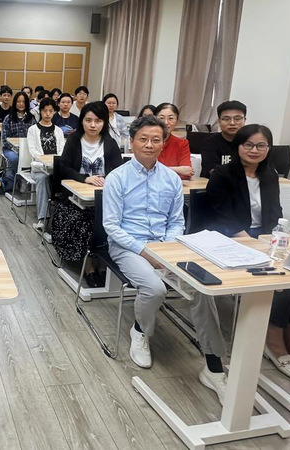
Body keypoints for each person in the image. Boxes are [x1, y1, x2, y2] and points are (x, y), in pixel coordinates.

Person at [104, 115, 228, 403]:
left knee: (204, 288)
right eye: (143, 139)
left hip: (166, 246)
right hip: (128, 246)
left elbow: (176, 221)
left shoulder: (171, 179)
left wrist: (168, 247)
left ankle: (213, 367)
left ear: (163, 143)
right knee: (154, 288)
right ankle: (140, 331)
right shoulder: (117, 178)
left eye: (156, 140)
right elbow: (111, 226)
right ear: (131, 142)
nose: (149, 145)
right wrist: (146, 251)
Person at [206, 124, 290, 382]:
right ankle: (273, 341)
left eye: (261, 145)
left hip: (265, 238)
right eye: (248, 144)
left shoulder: (269, 175)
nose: (254, 150)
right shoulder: (223, 174)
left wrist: (274, 240)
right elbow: (220, 215)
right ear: (238, 147)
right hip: (232, 238)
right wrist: (252, 242)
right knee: (280, 277)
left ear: (268, 148)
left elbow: (275, 213)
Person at [52, 101, 122, 287]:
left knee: (111, 220)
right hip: (73, 199)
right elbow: (64, 167)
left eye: (98, 121)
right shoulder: (74, 141)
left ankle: (104, 263)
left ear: (104, 122)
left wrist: (108, 181)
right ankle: (89, 265)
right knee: (86, 220)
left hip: (105, 198)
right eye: (88, 120)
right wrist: (85, 178)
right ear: (81, 121)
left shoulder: (110, 143)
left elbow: (119, 171)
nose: (93, 125)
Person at [26, 98, 65, 232]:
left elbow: (61, 150)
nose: (48, 114)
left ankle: (60, 218)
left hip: (55, 168)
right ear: (40, 112)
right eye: (45, 111)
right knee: (43, 179)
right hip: (39, 168)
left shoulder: (58, 131)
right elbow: (33, 151)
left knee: (65, 180)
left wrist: (54, 161)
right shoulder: (32, 130)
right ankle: (43, 218)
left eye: (50, 111)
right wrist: (46, 160)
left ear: (54, 112)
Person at [200, 100, 247, 178]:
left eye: (237, 118)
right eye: (226, 119)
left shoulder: (251, 143)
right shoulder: (210, 143)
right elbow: (213, 171)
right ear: (219, 121)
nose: (232, 123)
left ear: (244, 120)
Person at [1, 91, 36, 177]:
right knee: (15, 158)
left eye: (23, 102)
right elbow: (5, 139)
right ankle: (15, 178)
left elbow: (35, 136)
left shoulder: (32, 118)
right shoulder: (8, 118)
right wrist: (16, 149)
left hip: (28, 149)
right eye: (18, 101)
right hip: (10, 149)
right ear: (15, 103)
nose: (21, 104)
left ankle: (24, 177)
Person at [154, 102, 193, 180]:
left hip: (174, 185)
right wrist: (178, 170)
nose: (166, 122)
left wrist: (158, 170)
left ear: (177, 121)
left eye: (170, 118)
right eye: (161, 118)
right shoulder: (148, 142)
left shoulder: (182, 143)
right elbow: (145, 171)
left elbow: (187, 172)